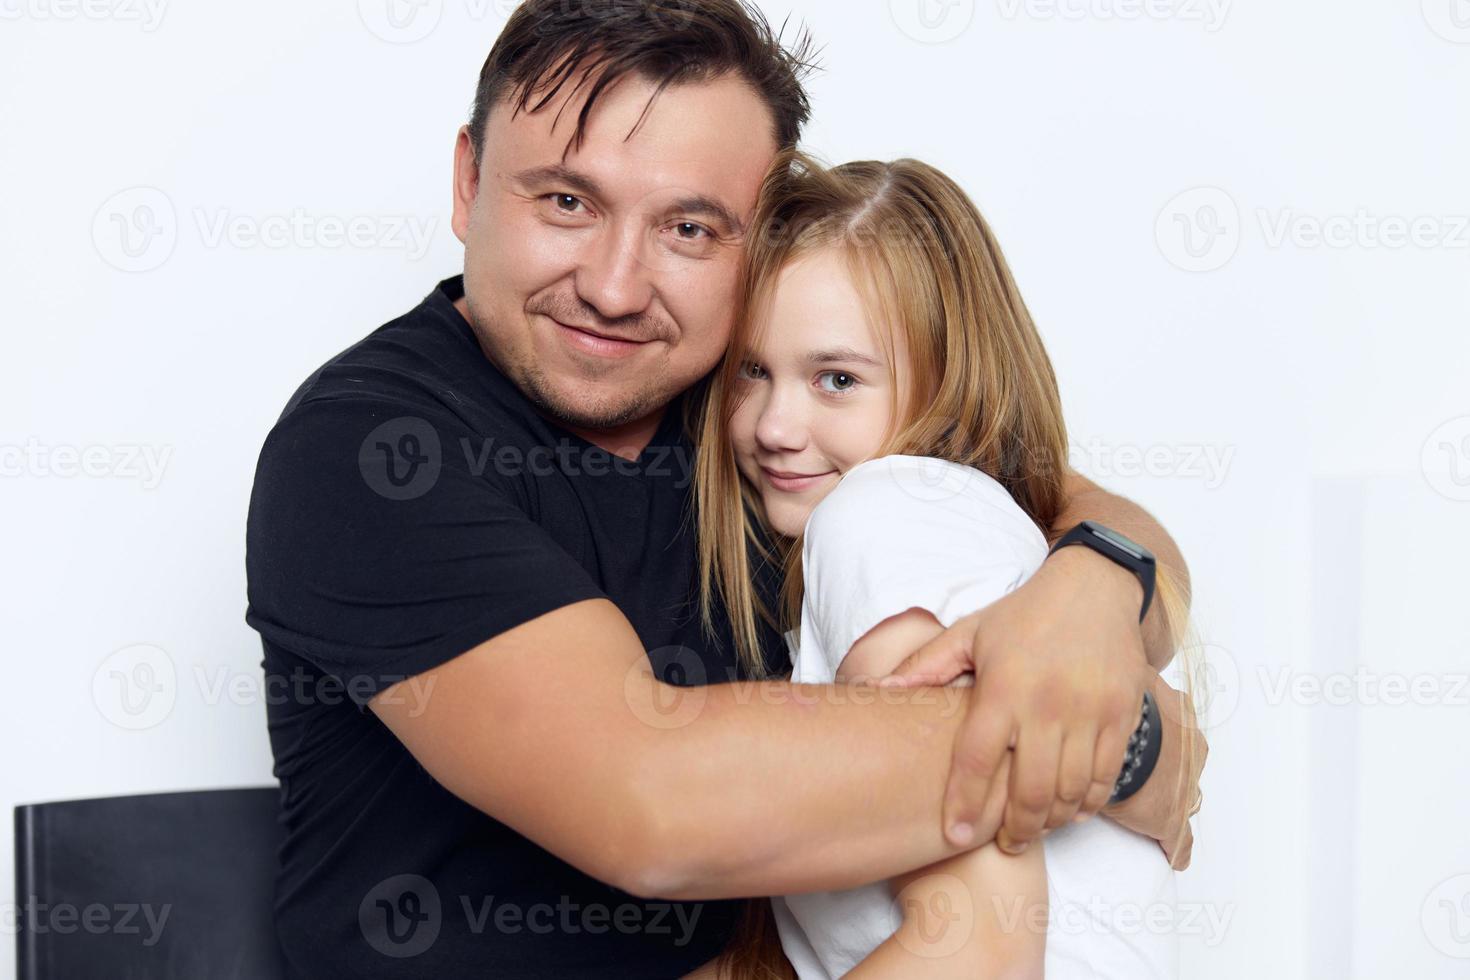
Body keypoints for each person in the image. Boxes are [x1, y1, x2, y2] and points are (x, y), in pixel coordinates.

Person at [244, 2, 1205, 976]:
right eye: (568, 202)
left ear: (755, 242)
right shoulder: (372, 446)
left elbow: (1050, 491)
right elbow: (653, 802)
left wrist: (1091, 587)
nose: (616, 288)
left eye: (690, 227)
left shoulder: (758, 409)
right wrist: (1123, 739)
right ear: (469, 182)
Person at [693, 152, 1198, 978]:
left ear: (950, 391)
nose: (775, 424)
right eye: (754, 370)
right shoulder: (948, 522)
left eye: (836, 379)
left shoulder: (878, 514)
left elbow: (980, 931)